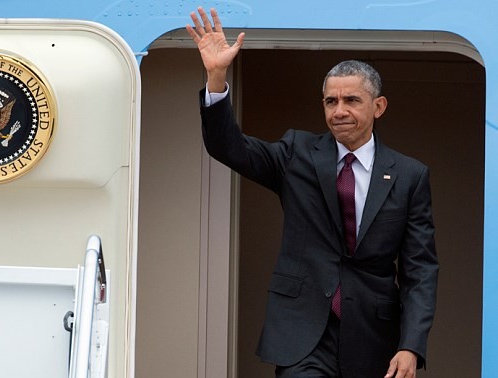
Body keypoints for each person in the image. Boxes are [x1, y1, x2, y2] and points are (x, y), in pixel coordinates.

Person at [186, 7, 439, 378]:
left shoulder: (409, 175)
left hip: (373, 337)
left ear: (378, 106)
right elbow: (229, 147)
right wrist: (216, 77)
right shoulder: (296, 153)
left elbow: (420, 269)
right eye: (331, 101)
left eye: (351, 100)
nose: (339, 111)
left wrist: (411, 344)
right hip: (301, 332)